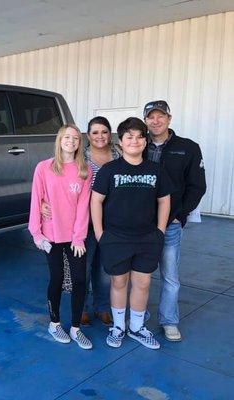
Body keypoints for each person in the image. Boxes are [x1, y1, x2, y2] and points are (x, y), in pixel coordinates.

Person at [91, 117, 171, 350]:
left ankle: (136, 328)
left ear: (145, 142)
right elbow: (96, 200)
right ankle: (118, 327)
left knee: (143, 283)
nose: (134, 141)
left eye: (139, 137)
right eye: (129, 137)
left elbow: (164, 200)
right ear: (121, 142)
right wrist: (99, 233)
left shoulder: (155, 170)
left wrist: (160, 231)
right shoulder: (109, 170)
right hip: (115, 237)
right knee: (118, 281)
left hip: (147, 237)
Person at [41, 117, 118, 326]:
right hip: (85, 222)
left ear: (110, 134)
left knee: (103, 270)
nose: (100, 136)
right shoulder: (79, 157)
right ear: (88, 136)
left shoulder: (119, 154)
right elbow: (56, 187)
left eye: (104, 131)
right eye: (94, 132)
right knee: (83, 268)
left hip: (112, 221)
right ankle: (81, 308)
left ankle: (102, 307)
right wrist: (42, 204)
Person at [143, 100, 206, 341]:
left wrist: (181, 215)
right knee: (141, 274)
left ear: (169, 118)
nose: (156, 121)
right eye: (151, 117)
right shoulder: (137, 144)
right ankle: (140, 316)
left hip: (170, 224)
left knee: (170, 275)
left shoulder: (188, 148)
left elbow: (197, 186)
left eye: (161, 116)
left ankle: (169, 321)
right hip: (142, 224)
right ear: (146, 120)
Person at [28, 124, 93, 350]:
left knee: (79, 280)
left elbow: (84, 207)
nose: (71, 141)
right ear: (59, 140)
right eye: (67, 137)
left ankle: (76, 328)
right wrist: (36, 232)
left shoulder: (84, 170)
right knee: (56, 278)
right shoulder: (44, 168)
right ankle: (55, 323)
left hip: (74, 236)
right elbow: (36, 201)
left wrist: (78, 237)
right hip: (51, 235)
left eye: (76, 138)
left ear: (79, 143)